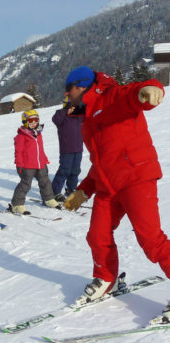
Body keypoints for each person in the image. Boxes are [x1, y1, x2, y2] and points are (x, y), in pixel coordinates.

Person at [62, 66, 169, 310]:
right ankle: (105, 278)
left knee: (151, 241)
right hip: (108, 186)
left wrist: (150, 88)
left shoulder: (111, 97)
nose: (67, 95)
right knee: (97, 236)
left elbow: (134, 94)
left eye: (68, 90)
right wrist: (83, 190)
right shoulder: (87, 119)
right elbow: (101, 161)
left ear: (80, 86)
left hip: (136, 178)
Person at [10, 110, 59, 214]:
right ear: (25, 121)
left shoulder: (39, 134)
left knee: (45, 182)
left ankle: (49, 199)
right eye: (30, 120)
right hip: (28, 165)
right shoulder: (21, 136)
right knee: (25, 184)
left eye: (35, 120)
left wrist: (45, 161)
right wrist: (19, 165)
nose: (33, 123)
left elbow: (41, 149)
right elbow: (18, 152)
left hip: (40, 164)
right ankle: (17, 205)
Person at [51, 96, 84, 202]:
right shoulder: (61, 116)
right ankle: (55, 191)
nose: (73, 108)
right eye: (71, 106)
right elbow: (55, 119)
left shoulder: (79, 116)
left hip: (78, 148)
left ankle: (71, 189)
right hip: (66, 149)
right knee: (64, 170)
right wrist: (65, 110)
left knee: (75, 171)